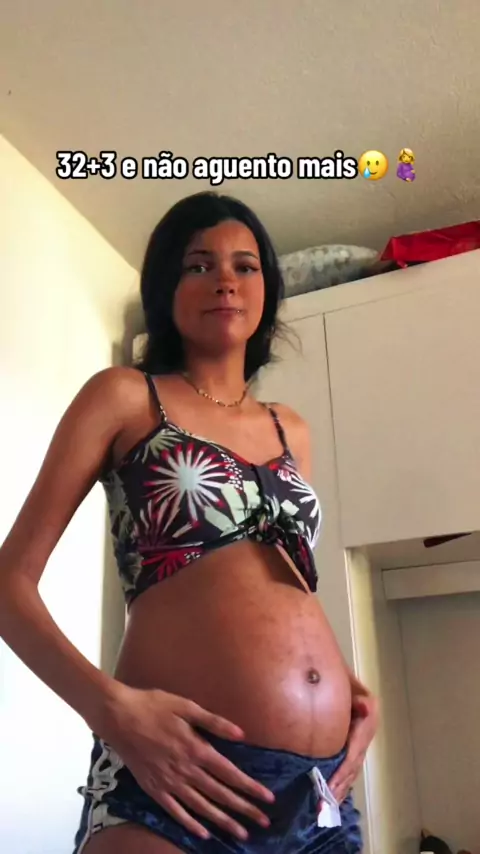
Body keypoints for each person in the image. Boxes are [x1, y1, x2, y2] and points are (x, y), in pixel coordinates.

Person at [0, 191, 378, 853]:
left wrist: (344, 687)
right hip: (175, 771)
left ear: (266, 288)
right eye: (199, 265)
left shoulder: (290, 429)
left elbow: (284, 587)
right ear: (165, 288)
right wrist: (110, 709)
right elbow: (9, 584)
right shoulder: (125, 396)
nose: (225, 280)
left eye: (245, 266)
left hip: (317, 789)